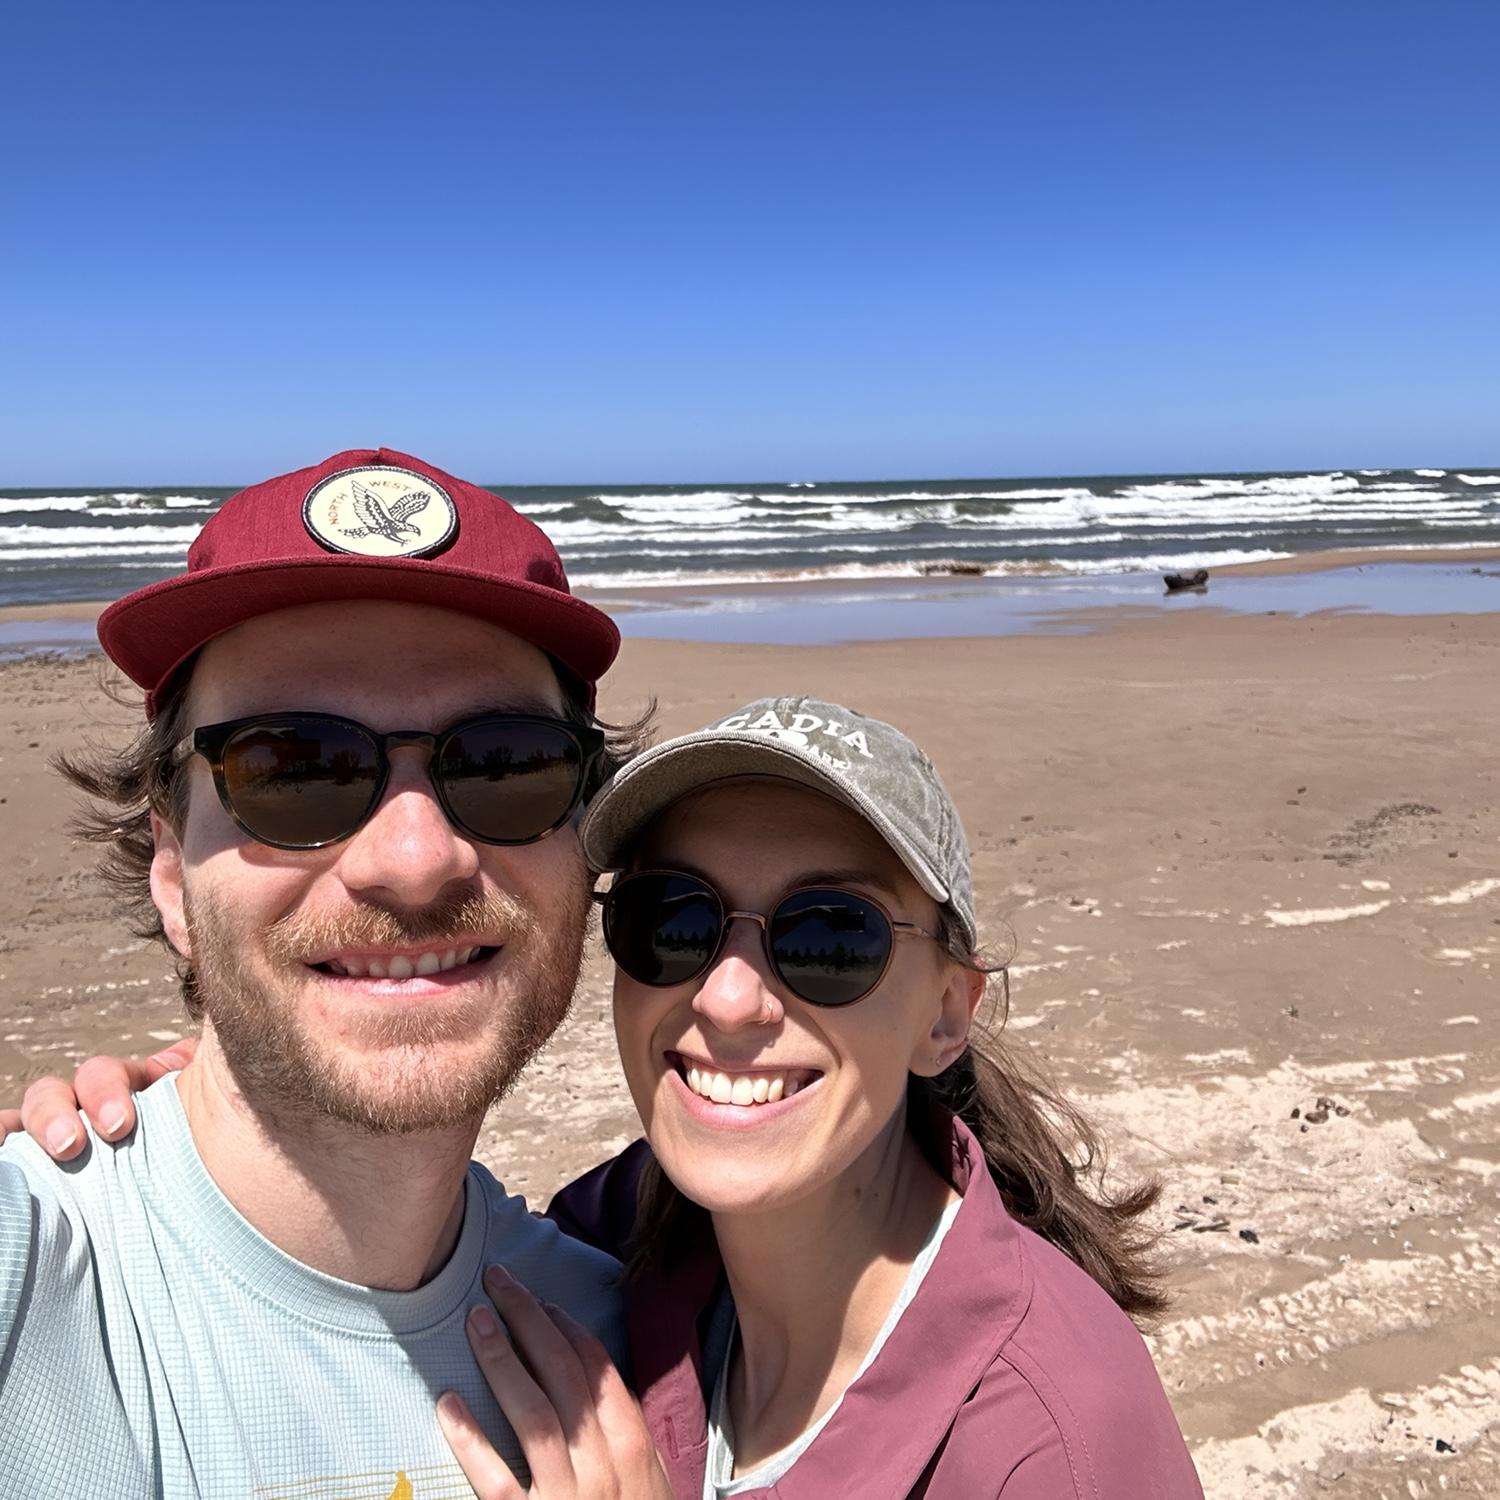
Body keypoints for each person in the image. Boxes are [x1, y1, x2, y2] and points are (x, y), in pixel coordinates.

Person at [13, 692, 1206, 1496]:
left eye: (827, 939)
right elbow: (390, 1212)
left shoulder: (1049, 1440)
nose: (731, 999)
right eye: (672, 921)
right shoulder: (630, 1240)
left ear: (948, 1011)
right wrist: (202, 1098)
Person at [0, 447, 670, 1498]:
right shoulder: (30, 1275)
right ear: (172, 876)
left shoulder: (628, 1354)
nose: (413, 861)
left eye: (504, 763)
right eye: (294, 769)